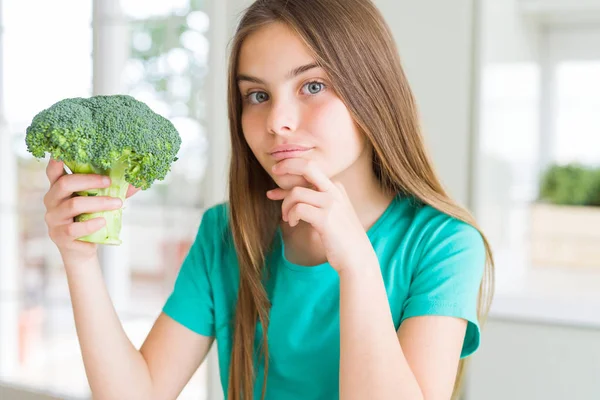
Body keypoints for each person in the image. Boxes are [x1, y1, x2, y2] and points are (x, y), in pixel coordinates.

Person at [42, 0, 494, 399]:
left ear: (372, 89)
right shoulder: (226, 234)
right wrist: (79, 261)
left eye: (312, 86)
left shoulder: (445, 244)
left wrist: (357, 263)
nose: (277, 121)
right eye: (257, 95)